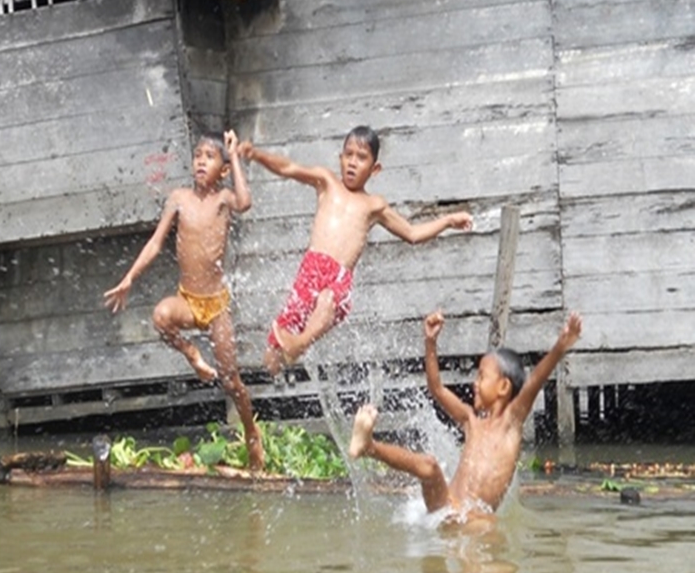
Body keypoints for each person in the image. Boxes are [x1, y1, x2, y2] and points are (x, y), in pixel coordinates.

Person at [240, 126, 473, 375]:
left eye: (361, 158)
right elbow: (288, 168)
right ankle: (286, 356)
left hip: (338, 278)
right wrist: (256, 155)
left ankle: (301, 343)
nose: (352, 163)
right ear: (340, 158)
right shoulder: (326, 182)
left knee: (327, 300)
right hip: (310, 271)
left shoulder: (374, 205)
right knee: (272, 359)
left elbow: (412, 234)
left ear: (375, 169)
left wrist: (447, 221)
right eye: (348, 155)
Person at [104, 131, 264, 470]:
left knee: (231, 381)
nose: (201, 161)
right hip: (189, 301)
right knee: (161, 315)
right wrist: (129, 278)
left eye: (209, 156)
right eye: (197, 156)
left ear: (222, 169)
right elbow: (155, 243)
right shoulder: (179, 198)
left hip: (217, 305)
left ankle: (252, 433)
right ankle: (192, 354)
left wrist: (234, 156)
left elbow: (245, 202)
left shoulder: (223, 197)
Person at [349, 309, 584, 522]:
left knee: (486, 524)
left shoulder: (511, 423)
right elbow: (437, 388)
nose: (475, 383)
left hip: (472, 518)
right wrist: (430, 342)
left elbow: (533, 382)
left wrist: (560, 347)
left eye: (482, 377)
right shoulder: (471, 421)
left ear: (503, 387)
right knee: (429, 466)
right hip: (447, 507)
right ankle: (368, 446)